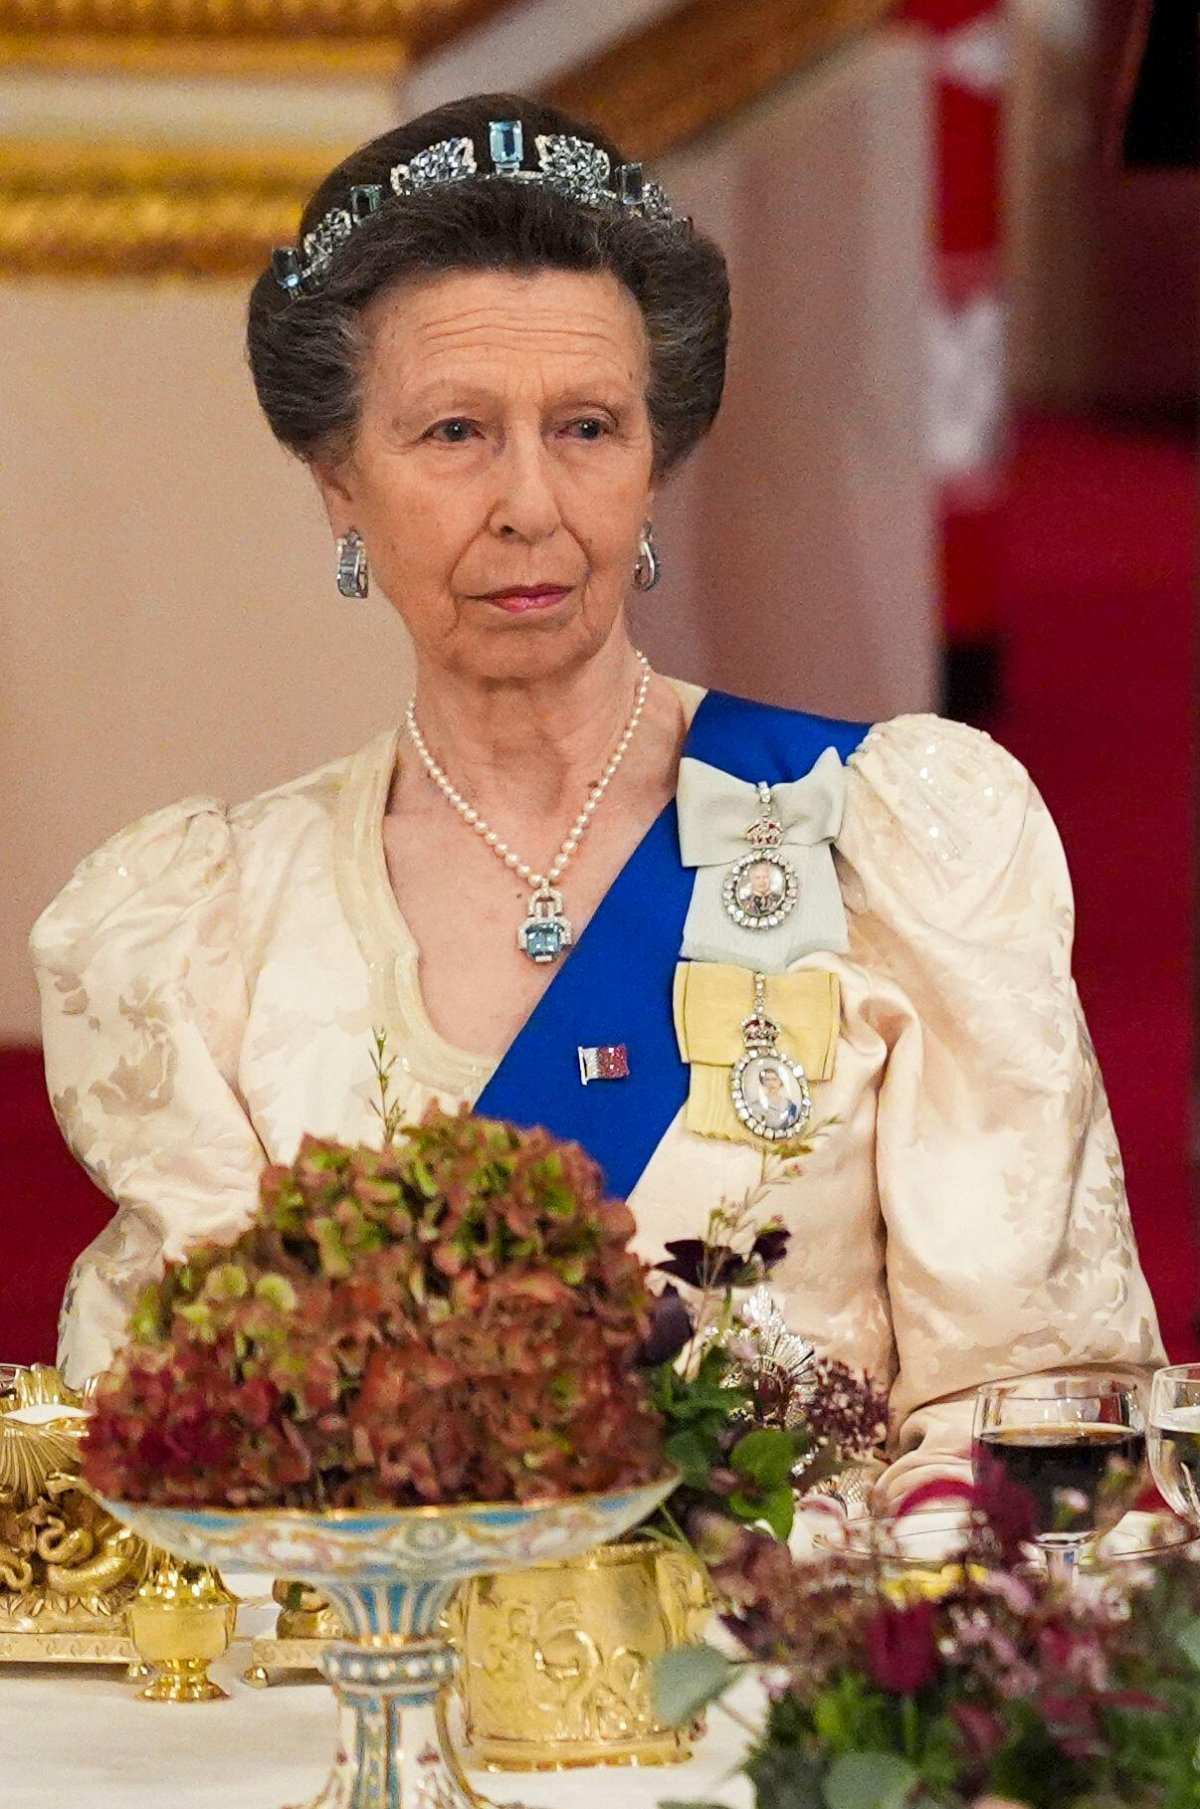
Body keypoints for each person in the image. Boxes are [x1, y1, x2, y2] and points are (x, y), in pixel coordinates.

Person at [30, 92, 1163, 1505]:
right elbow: (172, 1449)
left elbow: (1032, 1404)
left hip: (794, 1679)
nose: (530, 504)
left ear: (653, 457)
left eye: (586, 427)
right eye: (453, 432)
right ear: (338, 484)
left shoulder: (880, 842)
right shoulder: (212, 938)